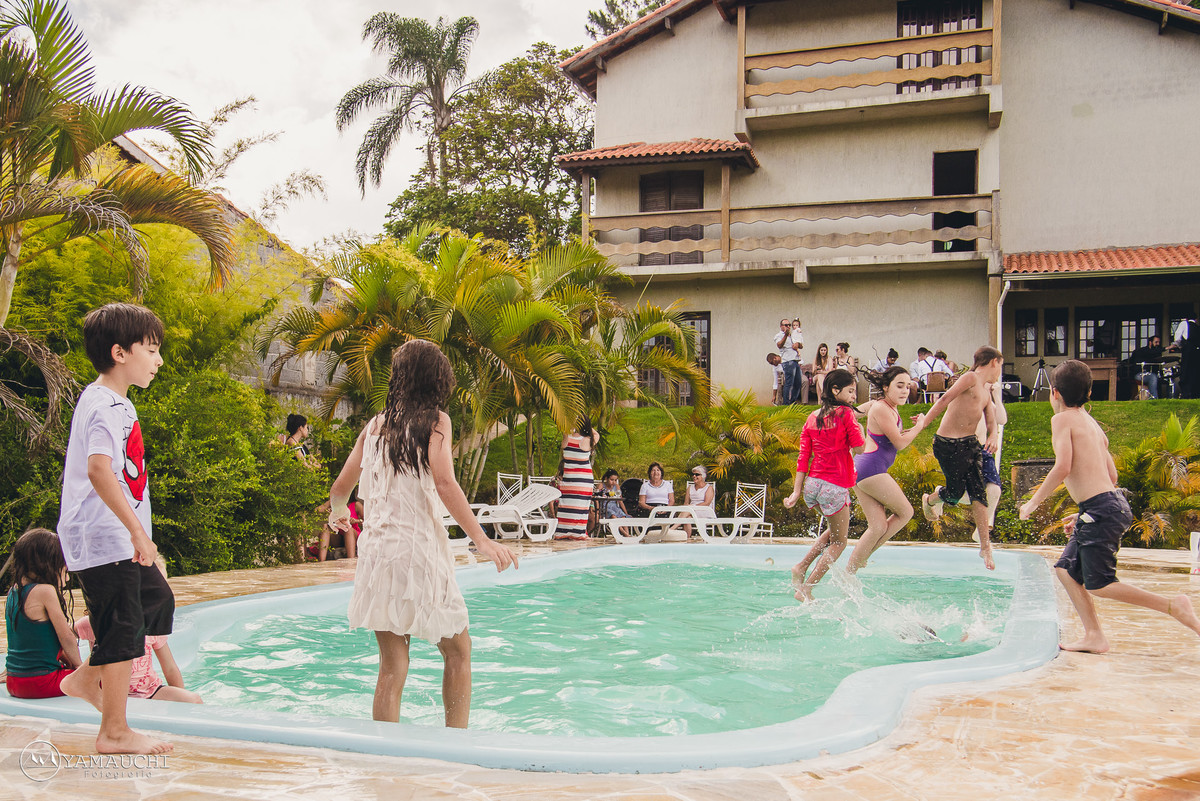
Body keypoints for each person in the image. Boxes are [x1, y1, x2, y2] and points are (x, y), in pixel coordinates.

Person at [327, 339, 517, 727]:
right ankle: (456, 743)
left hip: (378, 556)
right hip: (417, 552)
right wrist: (482, 540)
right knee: (458, 652)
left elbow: (340, 488)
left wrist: (337, 514)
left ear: (400, 378)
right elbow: (445, 482)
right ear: (436, 379)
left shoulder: (375, 426)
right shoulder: (436, 421)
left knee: (392, 668)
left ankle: (386, 757)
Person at [56, 303, 174, 755]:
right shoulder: (104, 404)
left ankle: (88, 676)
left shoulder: (115, 402)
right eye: (152, 349)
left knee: (157, 598)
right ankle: (114, 732)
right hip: (104, 537)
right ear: (120, 352)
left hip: (113, 536)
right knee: (124, 628)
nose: (158, 359)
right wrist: (137, 533)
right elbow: (100, 471)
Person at [1019, 359, 1200, 652]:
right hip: (1107, 506)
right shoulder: (1090, 422)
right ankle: (1094, 636)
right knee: (1066, 569)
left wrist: (1033, 502)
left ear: (1054, 393)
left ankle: (1173, 606)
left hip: (1100, 509)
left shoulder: (1062, 420)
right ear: (1089, 393)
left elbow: (1062, 466)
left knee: (1099, 584)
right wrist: (1083, 515)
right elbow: (1111, 475)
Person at [919, 345, 1005, 571]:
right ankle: (931, 499)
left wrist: (994, 435)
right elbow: (945, 398)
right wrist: (923, 423)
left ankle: (985, 547)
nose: (999, 371)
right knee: (955, 495)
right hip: (947, 444)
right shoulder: (970, 378)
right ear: (994, 362)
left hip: (970, 445)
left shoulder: (986, 393)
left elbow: (991, 422)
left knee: (979, 492)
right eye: (1000, 365)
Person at [783, 369, 865, 600]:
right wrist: (861, 430)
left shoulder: (812, 417)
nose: (853, 396)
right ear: (835, 390)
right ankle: (807, 588)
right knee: (840, 541)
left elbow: (803, 457)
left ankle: (800, 567)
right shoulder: (846, 415)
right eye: (850, 391)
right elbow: (860, 449)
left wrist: (797, 491)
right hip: (834, 487)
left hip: (813, 486)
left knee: (834, 530)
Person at [74, 558, 202, 704]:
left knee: (194, 699)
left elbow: (170, 667)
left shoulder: (153, 626)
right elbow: (68, 635)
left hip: (150, 690)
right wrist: (75, 665)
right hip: (113, 692)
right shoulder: (99, 622)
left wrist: (181, 698)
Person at [846, 368, 927, 573]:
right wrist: (919, 428)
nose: (905, 391)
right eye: (899, 386)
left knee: (878, 527)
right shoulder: (881, 408)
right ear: (885, 387)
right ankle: (861, 558)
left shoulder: (888, 407)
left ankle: (850, 571)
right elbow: (899, 443)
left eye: (908, 387)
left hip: (863, 469)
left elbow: (854, 414)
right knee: (906, 512)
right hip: (871, 469)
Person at [3, 528, 84, 699]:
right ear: (47, 565)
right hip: (41, 683)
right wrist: (81, 670)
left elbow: (28, 640)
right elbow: (66, 637)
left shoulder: (13, 591)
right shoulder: (45, 591)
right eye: (64, 570)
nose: (67, 577)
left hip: (14, 682)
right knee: (107, 675)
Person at [971, 381, 1007, 544]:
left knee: (994, 491)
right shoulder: (970, 397)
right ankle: (940, 494)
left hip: (984, 450)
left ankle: (981, 530)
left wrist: (997, 397)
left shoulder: (989, 401)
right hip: (967, 449)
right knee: (961, 494)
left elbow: (1002, 419)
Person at [555, 417, 600, 541]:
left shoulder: (566, 437)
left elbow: (564, 427)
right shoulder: (588, 440)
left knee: (566, 506)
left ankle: (562, 532)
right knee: (581, 507)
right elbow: (596, 434)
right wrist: (586, 425)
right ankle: (578, 533)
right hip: (584, 480)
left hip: (569, 479)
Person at [680, 465, 717, 537]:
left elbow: (707, 503)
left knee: (688, 510)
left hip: (704, 511)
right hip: (691, 511)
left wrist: (693, 506)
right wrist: (688, 507)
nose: (694, 476)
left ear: (703, 476)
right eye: (693, 474)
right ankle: (687, 538)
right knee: (687, 517)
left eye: (697, 474)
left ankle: (672, 528)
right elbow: (686, 503)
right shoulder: (690, 488)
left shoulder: (709, 488)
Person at [1170, 316, 1199, 399]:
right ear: (1195, 319)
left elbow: (1178, 336)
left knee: (1186, 371)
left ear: (1186, 318)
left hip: (1188, 350)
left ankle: (1186, 393)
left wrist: (1178, 346)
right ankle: (1195, 394)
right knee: (1195, 372)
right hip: (1197, 351)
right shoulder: (1197, 327)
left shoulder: (1184, 323)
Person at [774, 318, 801, 407]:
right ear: (781, 326)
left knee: (798, 383)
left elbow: (801, 345)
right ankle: (786, 403)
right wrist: (785, 335)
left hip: (795, 360)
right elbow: (779, 345)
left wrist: (798, 345)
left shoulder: (793, 334)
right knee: (789, 383)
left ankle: (792, 402)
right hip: (788, 361)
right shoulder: (779, 335)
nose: (788, 327)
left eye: (789, 325)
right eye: (786, 325)